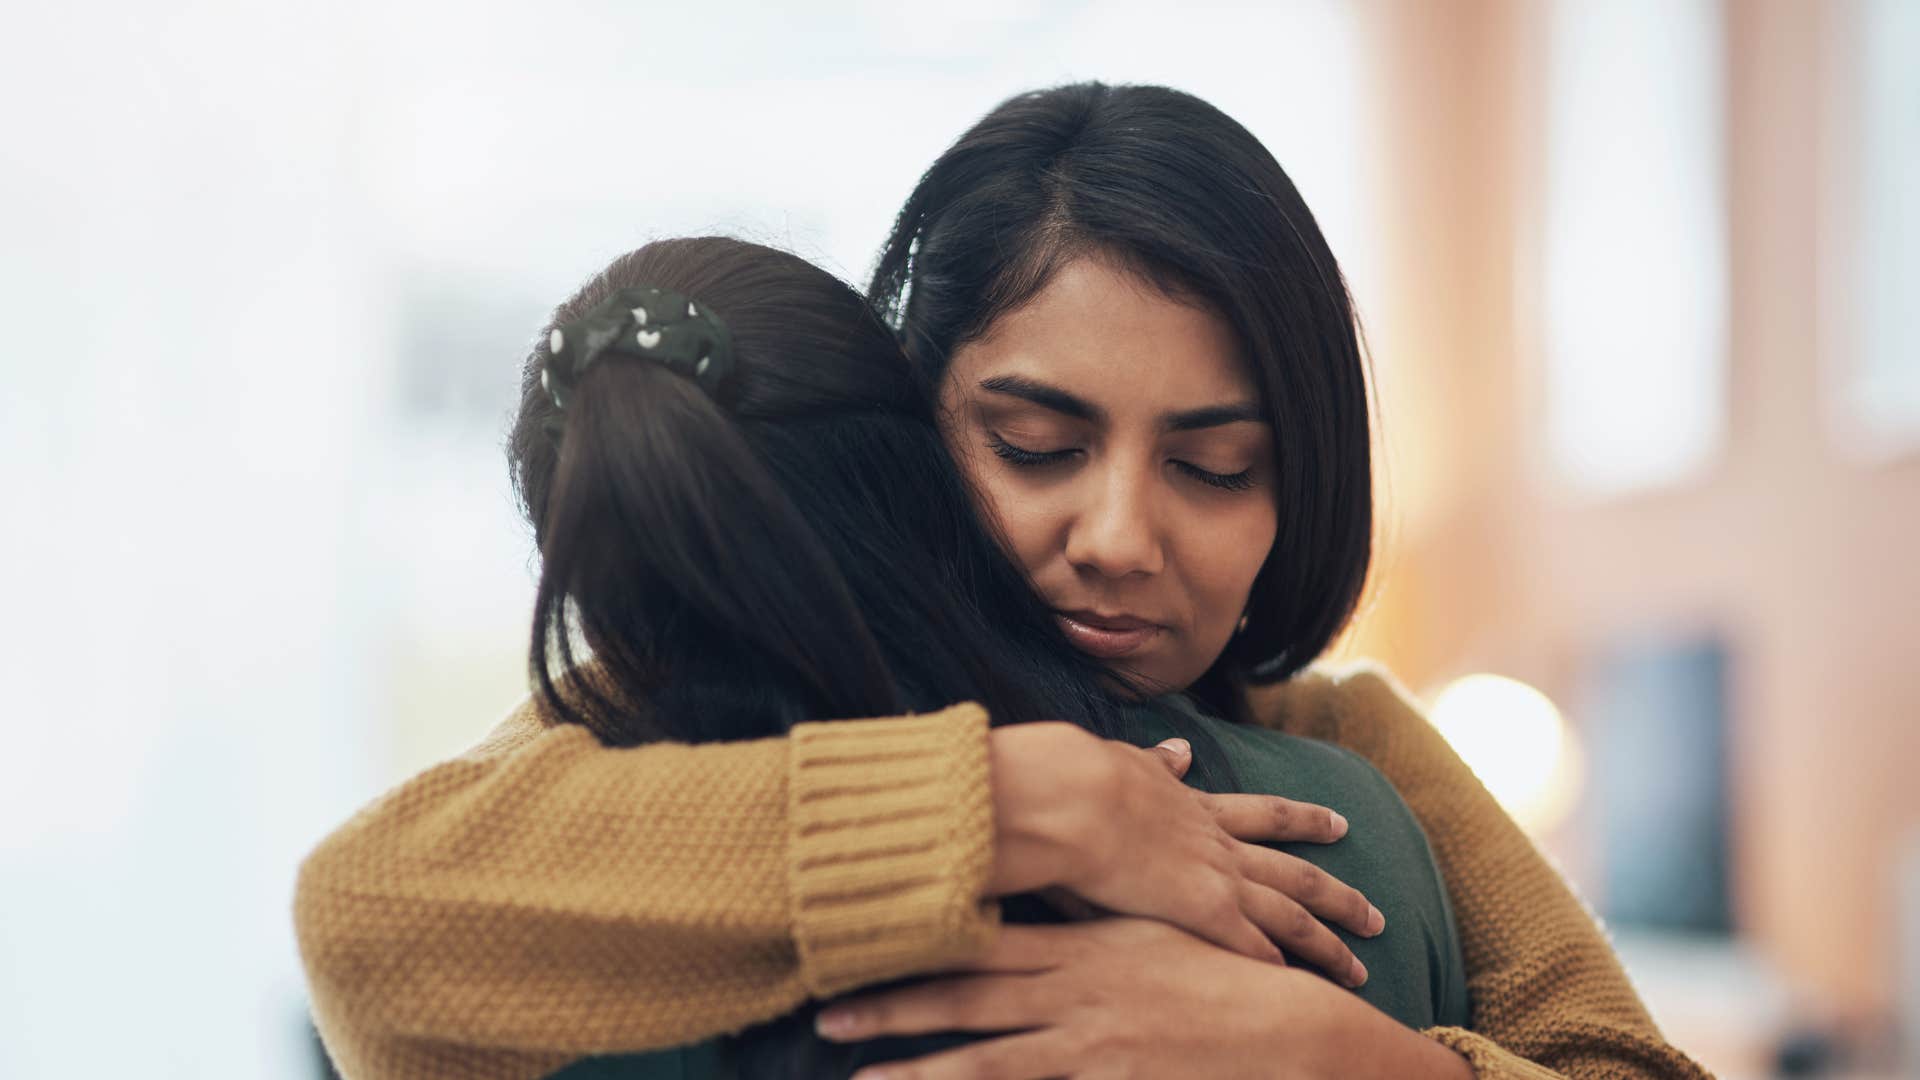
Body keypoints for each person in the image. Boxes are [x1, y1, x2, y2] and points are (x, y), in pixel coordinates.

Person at [295, 83, 1713, 1080]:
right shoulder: (671, 717)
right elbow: (369, 917)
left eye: (1213, 467)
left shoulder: (1356, 753)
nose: (1116, 535)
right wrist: (1015, 806)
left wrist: (1352, 1062)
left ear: (1302, 486)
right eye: (1036, 445)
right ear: (910, 430)